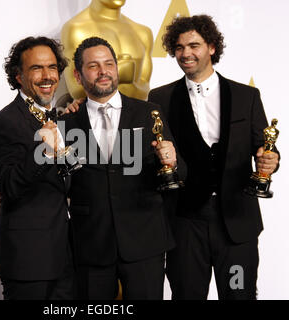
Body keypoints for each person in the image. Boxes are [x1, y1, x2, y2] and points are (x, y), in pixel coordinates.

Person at [148, 14, 280, 300]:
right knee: (187, 295)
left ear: (211, 47)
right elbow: (152, 155)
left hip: (236, 225)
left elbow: (265, 146)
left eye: (193, 45)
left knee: (238, 295)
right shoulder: (160, 98)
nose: (186, 54)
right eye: (179, 47)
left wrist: (271, 161)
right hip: (185, 224)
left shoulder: (247, 96)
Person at [62, 36, 181, 299]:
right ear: (78, 75)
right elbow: (52, 180)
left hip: (145, 242)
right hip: (89, 242)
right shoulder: (65, 121)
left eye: (109, 64)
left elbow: (178, 173)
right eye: (93, 66)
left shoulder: (150, 113)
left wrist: (172, 161)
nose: (103, 71)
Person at [0, 37, 74, 300]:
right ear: (19, 76)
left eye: (52, 67)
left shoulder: (59, 118)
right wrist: (43, 151)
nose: (47, 76)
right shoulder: (7, 121)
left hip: (66, 257)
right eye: (36, 68)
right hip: (28, 260)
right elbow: (10, 186)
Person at [61, 0, 153, 100]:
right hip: (95, 114)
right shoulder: (76, 29)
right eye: (93, 65)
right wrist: (119, 74)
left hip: (136, 113)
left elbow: (145, 90)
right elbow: (76, 91)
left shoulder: (142, 33)